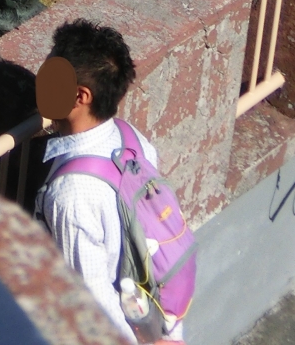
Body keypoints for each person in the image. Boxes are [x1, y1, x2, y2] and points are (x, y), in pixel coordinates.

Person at [36, 19, 188, 342]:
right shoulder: (134, 141)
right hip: (155, 318)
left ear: (80, 96)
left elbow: (91, 302)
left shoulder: (71, 194)